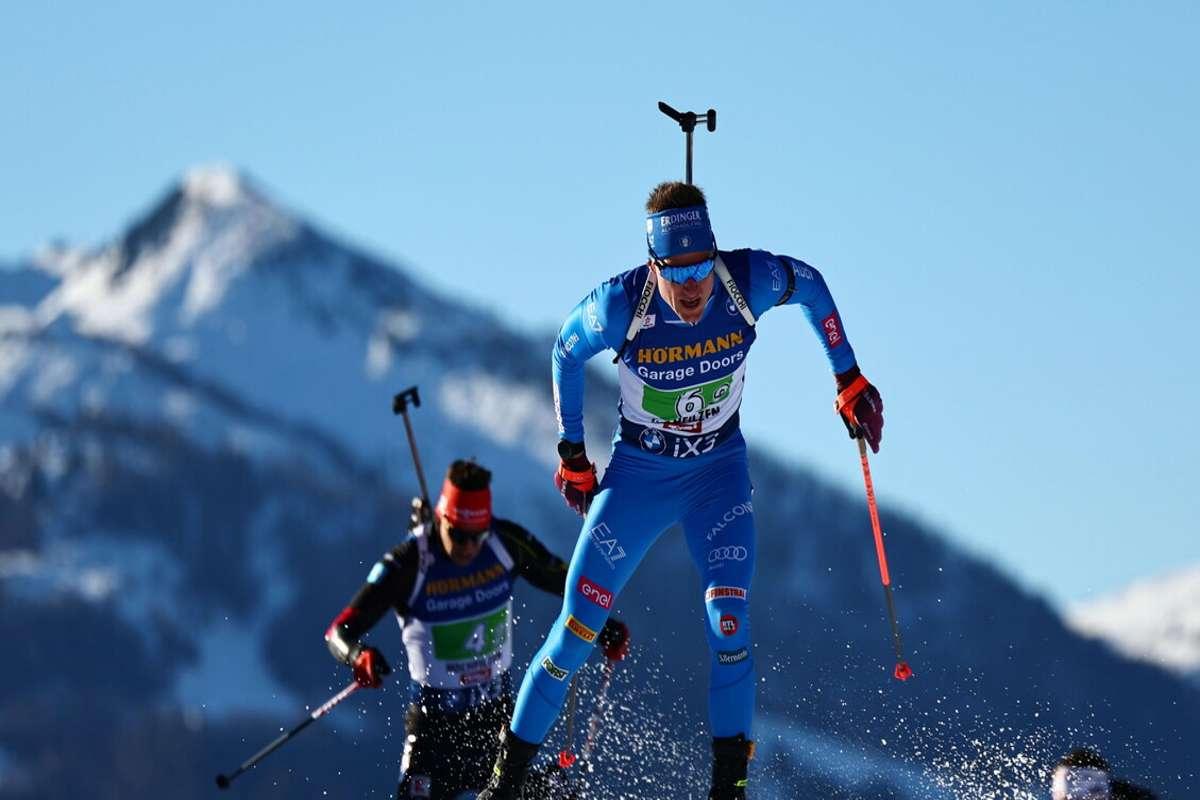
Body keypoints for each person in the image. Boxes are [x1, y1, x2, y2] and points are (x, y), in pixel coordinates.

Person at [478, 181, 884, 800]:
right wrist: (571, 451)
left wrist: (848, 375)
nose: (694, 285)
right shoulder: (622, 305)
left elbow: (811, 284)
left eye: (703, 265)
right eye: (679, 271)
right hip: (639, 477)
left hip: (716, 478)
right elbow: (564, 350)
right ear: (654, 265)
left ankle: (730, 790)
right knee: (578, 627)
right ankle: (503, 787)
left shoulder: (747, 280)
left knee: (729, 621)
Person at [325, 459, 631, 800]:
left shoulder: (504, 542)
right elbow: (339, 632)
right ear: (441, 517)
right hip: (434, 732)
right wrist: (358, 655)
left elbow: (569, 582)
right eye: (459, 535)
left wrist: (604, 626)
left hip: (496, 722)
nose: (470, 547)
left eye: (477, 535)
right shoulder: (409, 561)